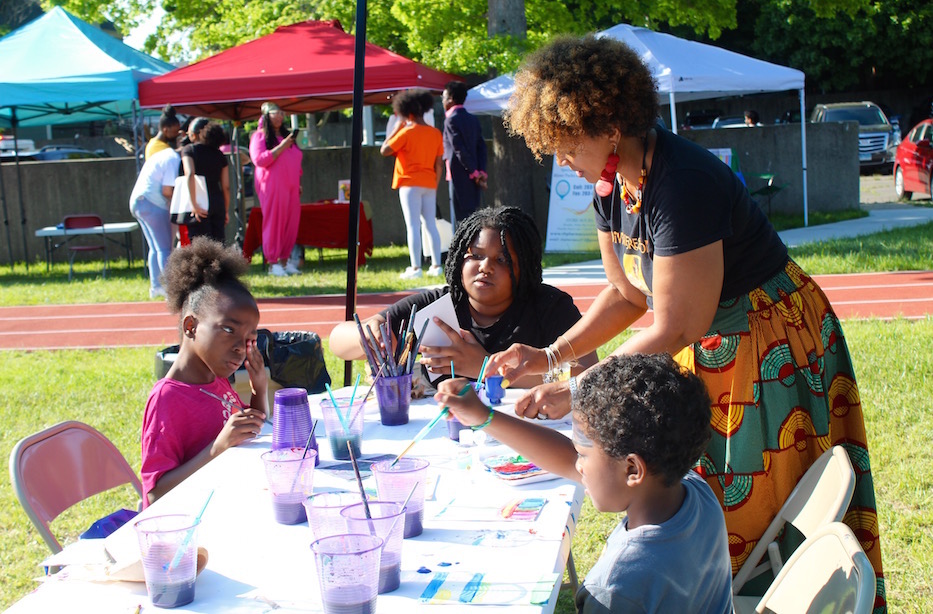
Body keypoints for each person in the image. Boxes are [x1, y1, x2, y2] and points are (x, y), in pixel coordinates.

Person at [491, 35, 885, 606]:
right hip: (712, 338)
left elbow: (676, 325)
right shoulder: (612, 186)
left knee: (760, 494)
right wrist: (552, 356)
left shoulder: (682, 184)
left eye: (564, 142)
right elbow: (627, 295)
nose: (561, 160)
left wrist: (579, 389)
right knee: (707, 491)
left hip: (763, 339)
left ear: (606, 124)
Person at [436, 353, 733, 613]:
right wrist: (484, 417)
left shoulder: (614, 590)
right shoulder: (692, 490)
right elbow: (568, 459)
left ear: (633, 468)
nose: (578, 465)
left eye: (583, 453)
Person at [329, 206, 596, 386]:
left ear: (523, 267)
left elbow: (588, 375)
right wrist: (371, 336)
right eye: (475, 256)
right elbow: (337, 341)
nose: (485, 267)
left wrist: (483, 369)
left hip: (531, 431)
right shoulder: (434, 307)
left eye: (501, 259)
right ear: (458, 261)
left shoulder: (549, 308)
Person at [140, 237, 267, 506]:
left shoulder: (216, 380)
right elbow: (155, 494)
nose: (240, 348)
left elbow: (247, 432)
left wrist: (259, 390)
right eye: (230, 330)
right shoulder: (167, 398)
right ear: (191, 326)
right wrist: (217, 449)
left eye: (249, 337)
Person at [381, 89, 444, 280]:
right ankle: (436, 265)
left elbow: (384, 150)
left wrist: (397, 127)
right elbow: (439, 163)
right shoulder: (435, 133)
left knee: (413, 226)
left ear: (406, 112)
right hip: (429, 182)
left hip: (409, 183)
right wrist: (434, 182)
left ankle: (415, 267)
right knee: (430, 224)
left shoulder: (406, 132)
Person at [249, 102, 303, 277]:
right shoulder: (260, 136)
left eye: (281, 113)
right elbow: (259, 160)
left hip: (292, 186)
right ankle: (273, 263)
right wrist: (281, 147)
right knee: (275, 221)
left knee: (291, 223)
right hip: (272, 185)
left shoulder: (288, 138)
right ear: (266, 116)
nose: (279, 116)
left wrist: (297, 180)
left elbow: (296, 161)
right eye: (275, 113)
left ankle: (285, 261)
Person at [129, 134, 180, 298]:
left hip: (138, 202)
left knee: (156, 247)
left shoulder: (160, 155)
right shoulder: (173, 158)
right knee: (165, 248)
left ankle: (156, 287)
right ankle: (171, 290)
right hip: (152, 203)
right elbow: (167, 191)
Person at [442, 81, 487, 231]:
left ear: (451, 99)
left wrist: (473, 172)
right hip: (475, 176)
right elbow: (481, 147)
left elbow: (458, 149)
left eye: (444, 97)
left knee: (460, 219)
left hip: (460, 175)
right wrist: (481, 172)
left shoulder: (450, 120)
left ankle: (462, 253)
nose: (442, 101)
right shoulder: (473, 119)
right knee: (473, 216)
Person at [181, 118, 231, 243]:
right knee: (219, 246)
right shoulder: (219, 155)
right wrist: (225, 210)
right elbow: (226, 187)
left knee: (200, 248)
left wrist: (194, 205)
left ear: (196, 133)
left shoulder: (189, 150)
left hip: (200, 202)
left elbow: (190, 173)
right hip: (217, 202)